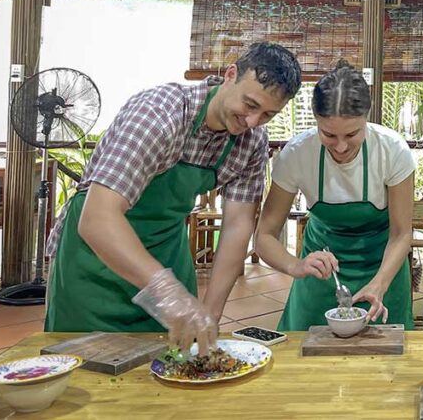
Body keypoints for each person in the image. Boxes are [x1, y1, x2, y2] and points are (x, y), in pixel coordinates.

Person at [45, 42, 302, 354]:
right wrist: (166, 291)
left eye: (267, 115)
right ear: (230, 75)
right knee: (84, 368)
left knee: (168, 368)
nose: (252, 122)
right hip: (95, 260)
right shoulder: (159, 113)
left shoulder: (252, 143)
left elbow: (237, 225)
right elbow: (98, 218)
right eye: (250, 105)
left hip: (165, 251)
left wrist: (211, 311)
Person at [255, 60, 415, 330]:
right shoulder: (296, 155)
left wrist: (379, 284)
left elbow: (401, 234)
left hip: (383, 267)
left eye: (352, 134)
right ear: (316, 121)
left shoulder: (392, 151)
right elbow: (264, 236)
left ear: (367, 117)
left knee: (386, 366)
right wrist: (297, 267)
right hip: (320, 275)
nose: (340, 147)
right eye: (328, 134)